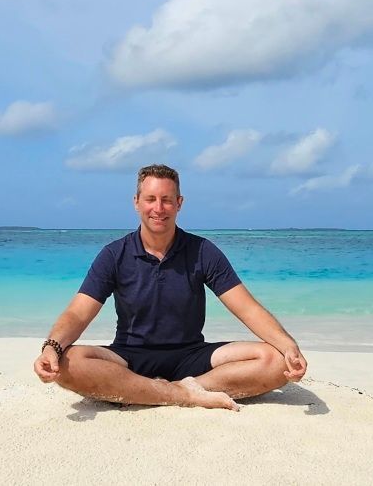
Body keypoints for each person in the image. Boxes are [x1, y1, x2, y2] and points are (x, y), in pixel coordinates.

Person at [33, 164, 308, 411]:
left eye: (166, 200)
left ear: (179, 203)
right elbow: (78, 313)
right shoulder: (114, 255)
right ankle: (184, 394)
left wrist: (288, 346)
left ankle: (163, 390)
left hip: (191, 355)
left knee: (275, 360)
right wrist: (51, 347)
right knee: (68, 363)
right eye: (150, 199)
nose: (158, 208)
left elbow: (247, 308)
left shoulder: (202, 251)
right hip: (130, 356)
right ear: (137, 202)